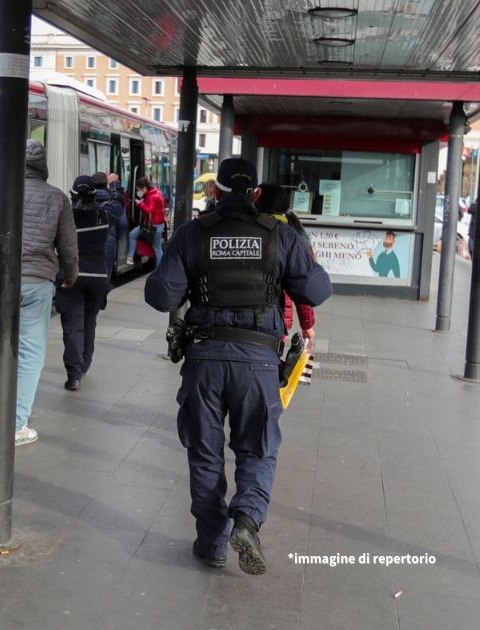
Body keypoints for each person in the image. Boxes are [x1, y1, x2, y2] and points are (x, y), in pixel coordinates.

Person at [144, 158, 332, 576]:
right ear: (255, 194)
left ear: (217, 189)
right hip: (259, 363)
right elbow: (317, 291)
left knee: (205, 453)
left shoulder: (194, 234)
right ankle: (247, 520)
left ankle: (212, 543)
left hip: (204, 361)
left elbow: (160, 296)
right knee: (258, 448)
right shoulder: (279, 236)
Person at [16, 139, 78, 446]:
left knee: (0, 349)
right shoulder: (57, 198)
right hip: (37, 281)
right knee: (30, 352)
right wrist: (70, 275)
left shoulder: (1, 192)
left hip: (2, 282)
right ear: (43, 168)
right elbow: (67, 245)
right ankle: (15, 424)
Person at [59, 175, 115, 391]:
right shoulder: (104, 216)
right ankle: (84, 364)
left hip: (72, 276)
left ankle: (74, 375)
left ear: (73, 195)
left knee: (73, 325)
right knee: (89, 321)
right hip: (98, 278)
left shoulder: (67, 218)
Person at [256, 184, 317, 349]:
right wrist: (307, 325)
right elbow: (302, 285)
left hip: (247, 317)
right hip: (277, 321)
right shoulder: (293, 235)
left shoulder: (249, 231)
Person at [126, 177, 166, 265]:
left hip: (154, 226)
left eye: (139, 189)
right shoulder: (155, 193)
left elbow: (149, 211)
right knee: (133, 234)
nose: (138, 191)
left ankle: (160, 270)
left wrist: (140, 204)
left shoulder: (152, 196)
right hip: (155, 225)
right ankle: (130, 257)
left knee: (157, 249)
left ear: (144, 188)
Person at [93, 171, 126, 273]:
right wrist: (115, 237)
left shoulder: (85, 199)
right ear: (106, 183)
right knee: (105, 274)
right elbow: (122, 223)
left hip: (89, 242)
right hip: (108, 239)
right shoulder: (114, 201)